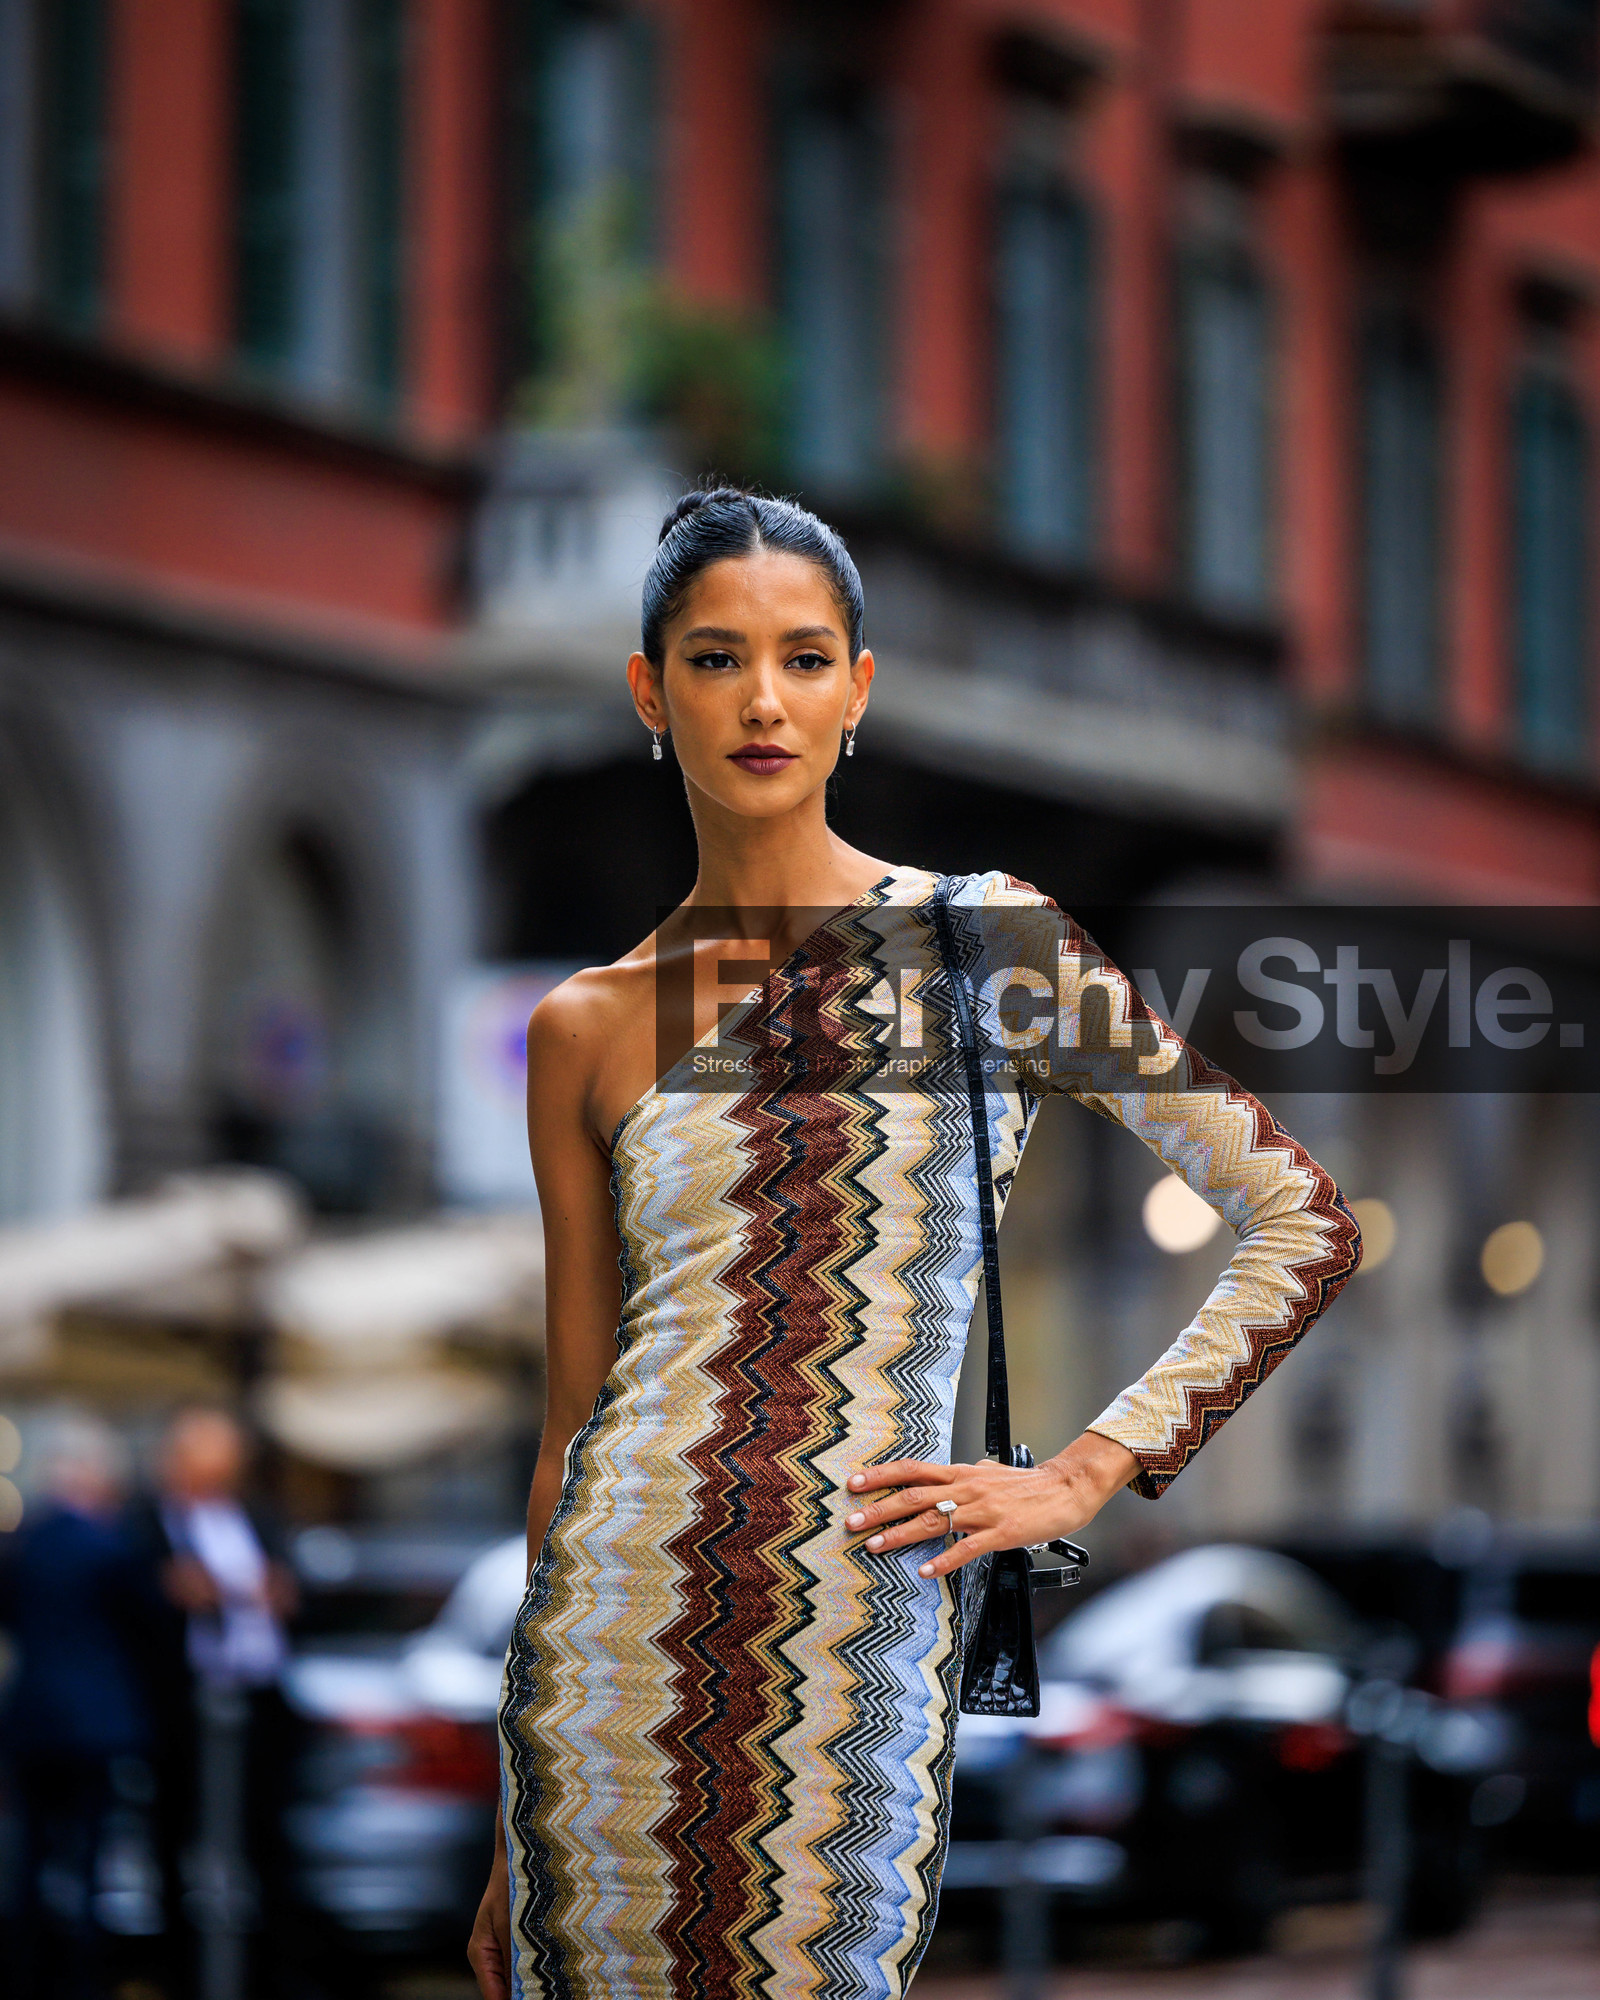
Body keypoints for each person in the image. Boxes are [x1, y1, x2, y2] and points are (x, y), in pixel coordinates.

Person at [469, 488, 1363, 2000]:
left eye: (806, 658)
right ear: (648, 690)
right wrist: (509, 1831)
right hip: (600, 1663)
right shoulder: (581, 1026)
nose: (763, 700)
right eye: (714, 658)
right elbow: (571, 1429)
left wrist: (1084, 1470)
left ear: (859, 692)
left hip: (849, 1629)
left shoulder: (984, 943)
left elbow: (1305, 1223)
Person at [128, 1407, 298, 1998]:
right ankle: (184, 1971)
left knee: (264, 1840)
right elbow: (131, 1599)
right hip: (181, 1705)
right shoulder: (147, 1522)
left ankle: (264, 1970)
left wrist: (278, 1592)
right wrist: (170, 1592)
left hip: (257, 1698)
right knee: (177, 1839)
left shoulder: (256, 1516)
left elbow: (291, 1586)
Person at [0, 1413, 160, 2000]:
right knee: (89, 1860)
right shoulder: (112, 1546)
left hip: (34, 1717)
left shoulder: (23, 1543)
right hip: (95, 1722)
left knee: (30, 1858)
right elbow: (146, 1625)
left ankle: (24, 1972)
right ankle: (81, 1977)